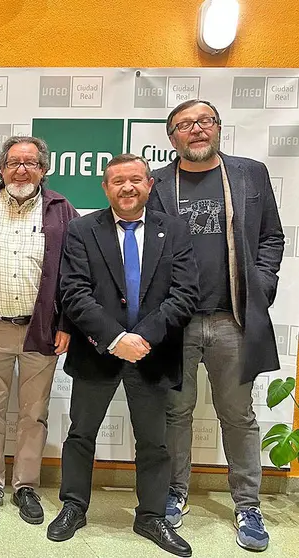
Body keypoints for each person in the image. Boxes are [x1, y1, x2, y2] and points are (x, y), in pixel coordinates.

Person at [149, 99, 285, 552]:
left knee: (239, 417)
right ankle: (174, 492)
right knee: (175, 413)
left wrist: (260, 286)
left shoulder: (249, 173)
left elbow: (271, 236)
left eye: (204, 121)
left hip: (233, 319)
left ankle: (247, 503)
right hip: (177, 322)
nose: (196, 130)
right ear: (173, 138)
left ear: (219, 129)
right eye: (185, 125)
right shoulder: (157, 182)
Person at [50, 154, 199, 557]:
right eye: (117, 181)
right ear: (105, 187)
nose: (127, 187)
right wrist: (116, 338)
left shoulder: (176, 230)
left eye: (135, 180)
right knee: (81, 434)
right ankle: (74, 506)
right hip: (98, 350)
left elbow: (185, 293)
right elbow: (74, 292)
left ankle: (151, 515)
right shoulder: (82, 229)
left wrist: (141, 338)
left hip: (153, 352)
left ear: (150, 185)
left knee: (154, 442)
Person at [0, 136, 78, 524]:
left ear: (44, 170)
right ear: (1, 167)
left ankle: (25, 485)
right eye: (14, 162)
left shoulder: (62, 210)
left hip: (41, 330)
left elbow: (74, 274)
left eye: (31, 163)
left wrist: (66, 324)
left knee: (34, 414)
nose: (22, 170)